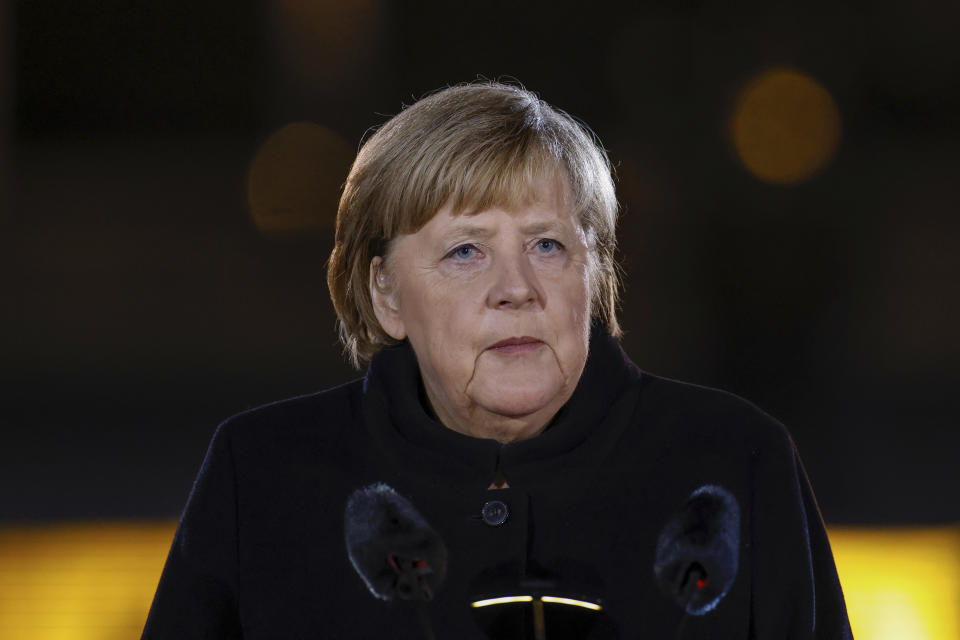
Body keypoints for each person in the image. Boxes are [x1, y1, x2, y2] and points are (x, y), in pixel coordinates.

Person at [142, 82, 852, 639]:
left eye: (548, 245)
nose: (517, 290)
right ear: (384, 291)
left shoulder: (739, 460)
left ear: (594, 274)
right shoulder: (262, 472)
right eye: (465, 251)